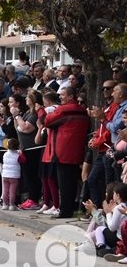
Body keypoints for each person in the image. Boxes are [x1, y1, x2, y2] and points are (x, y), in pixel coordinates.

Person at [42, 86, 89, 219]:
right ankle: (72, 208)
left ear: (70, 96)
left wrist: (49, 113)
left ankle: (65, 211)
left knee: (64, 184)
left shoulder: (63, 110)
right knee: (73, 182)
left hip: (62, 151)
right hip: (77, 150)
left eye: (62, 95)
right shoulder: (82, 110)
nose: (60, 97)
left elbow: (47, 121)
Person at [1, 138, 22, 210]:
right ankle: (12, 205)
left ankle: (4, 204)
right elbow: (23, 160)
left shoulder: (5, 154)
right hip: (14, 176)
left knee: (5, 190)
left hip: (5, 175)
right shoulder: (18, 154)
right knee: (12, 191)